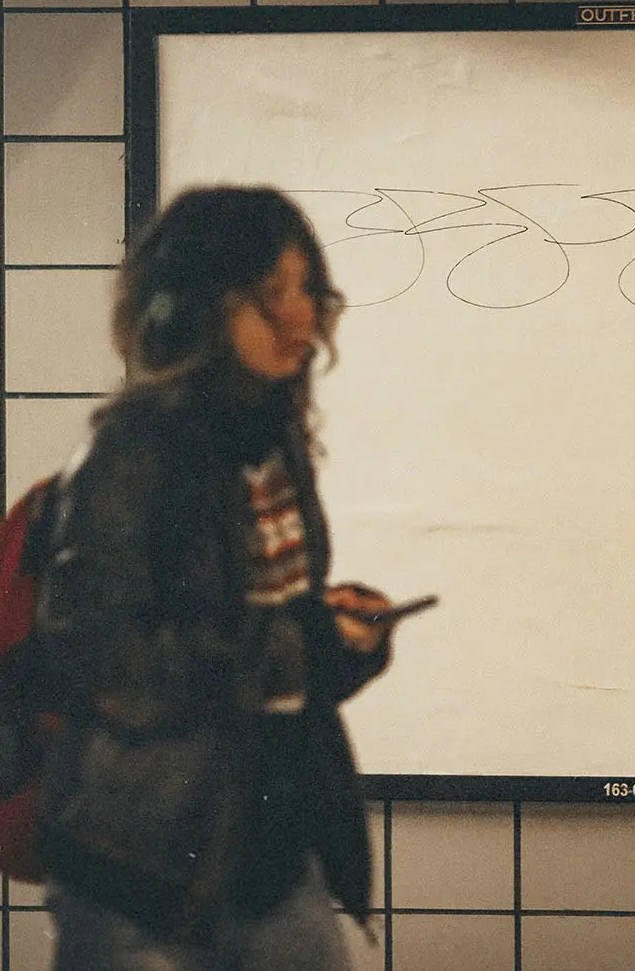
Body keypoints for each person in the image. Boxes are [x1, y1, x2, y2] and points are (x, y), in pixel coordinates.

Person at [30, 186, 399, 970]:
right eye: (273, 295)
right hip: (140, 871)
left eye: (307, 288)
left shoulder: (273, 440)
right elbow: (95, 655)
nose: (302, 317)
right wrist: (292, 644)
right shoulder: (135, 450)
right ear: (202, 306)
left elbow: (271, 645)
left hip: (268, 848)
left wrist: (341, 640)